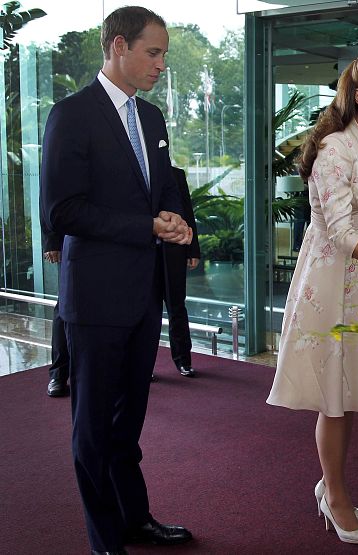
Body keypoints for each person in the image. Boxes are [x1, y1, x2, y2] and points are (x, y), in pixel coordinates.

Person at [39, 7, 194, 554]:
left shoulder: (150, 119)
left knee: (129, 425)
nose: (161, 65)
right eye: (154, 53)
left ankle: (134, 517)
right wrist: (145, 225)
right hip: (95, 297)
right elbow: (63, 211)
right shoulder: (71, 114)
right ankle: (104, 540)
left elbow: (164, 186)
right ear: (119, 46)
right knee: (93, 428)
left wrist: (174, 217)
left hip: (142, 295)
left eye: (164, 55)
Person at [267, 50, 358, 545]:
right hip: (331, 278)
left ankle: (330, 486)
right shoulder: (335, 148)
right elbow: (338, 233)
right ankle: (333, 494)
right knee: (334, 398)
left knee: (348, 393)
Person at [154, 166, 201, 380]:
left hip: (174, 250)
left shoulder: (176, 174)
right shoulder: (133, 173)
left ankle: (184, 361)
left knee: (177, 306)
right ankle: (143, 366)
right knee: (147, 311)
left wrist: (193, 249)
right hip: (143, 253)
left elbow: (187, 212)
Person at [42, 230, 69, 397]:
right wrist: (51, 240)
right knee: (65, 306)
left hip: (117, 243)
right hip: (73, 238)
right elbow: (47, 204)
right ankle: (58, 375)